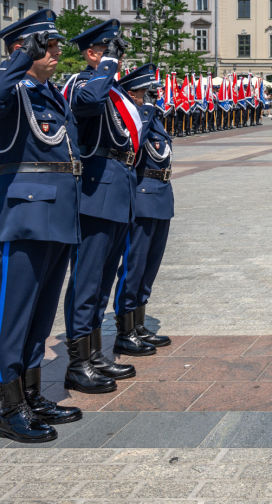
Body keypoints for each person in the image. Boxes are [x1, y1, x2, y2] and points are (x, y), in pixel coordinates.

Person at [0, 9, 82, 442]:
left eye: (54, 45)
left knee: (40, 315)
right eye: (47, 46)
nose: (56, 52)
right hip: (24, 216)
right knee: (13, 315)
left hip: (57, 214)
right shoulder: (11, 89)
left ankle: (32, 394)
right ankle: (9, 408)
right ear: (24, 50)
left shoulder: (45, 92)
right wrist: (19, 59)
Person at [62, 19, 145, 396]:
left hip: (117, 187)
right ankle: (78, 362)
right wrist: (105, 68)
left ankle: (94, 354)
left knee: (103, 280)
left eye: (119, 53)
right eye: (111, 52)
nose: (119, 59)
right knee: (87, 280)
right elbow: (88, 105)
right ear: (92, 53)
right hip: (97, 190)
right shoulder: (83, 83)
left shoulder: (111, 90)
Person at [113, 65, 174, 349]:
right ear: (130, 94)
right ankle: (125, 331)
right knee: (133, 265)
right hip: (141, 195)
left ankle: (139, 323)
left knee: (150, 266)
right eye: (144, 92)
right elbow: (132, 147)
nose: (151, 96)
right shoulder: (132, 120)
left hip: (160, 195)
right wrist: (145, 112)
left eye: (152, 92)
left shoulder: (153, 118)